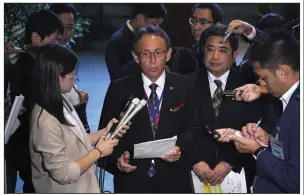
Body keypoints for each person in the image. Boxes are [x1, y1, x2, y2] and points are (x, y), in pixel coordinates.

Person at [98, 26, 194, 193]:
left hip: (175, 178)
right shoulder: (119, 88)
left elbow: (195, 128)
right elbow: (105, 133)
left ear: (168, 54)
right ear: (135, 56)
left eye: (158, 53)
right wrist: (117, 158)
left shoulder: (185, 86)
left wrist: (180, 147)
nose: (152, 60)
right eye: (145, 53)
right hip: (132, 179)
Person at [29, 43, 129, 193]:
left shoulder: (59, 100)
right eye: (72, 75)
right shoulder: (45, 121)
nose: (75, 79)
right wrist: (99, 152)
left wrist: (104, 131)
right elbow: (63, 174)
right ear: (57, 77)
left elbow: (74, 143)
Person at [216, 31, 300, 193]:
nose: (260, 84)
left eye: (263, 78)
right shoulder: (285, 100)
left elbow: (296, 182)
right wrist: (266, 141)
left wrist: (257, 150)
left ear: (283, 72)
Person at [188, 24, 261, 191]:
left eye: (222, 50)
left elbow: (255, 127)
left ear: (234, 55)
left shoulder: (249, 87)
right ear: (202, 52)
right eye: (209, 49)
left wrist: (229, 163)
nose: (215, 56)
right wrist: (196, 162)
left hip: (238, 172)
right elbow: (181, 128)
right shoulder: (185, 85)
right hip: (195, 171)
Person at [7, 9, 64, 193]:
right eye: (53, 40)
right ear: (35, 37)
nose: (56, 45)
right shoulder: (25, 67)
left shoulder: (34, 61)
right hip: (28, 144)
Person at [49, 3, 91, 133]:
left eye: (70, 27)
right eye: (60, 27)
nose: (65, 33)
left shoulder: (66, 54)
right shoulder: (45, 59)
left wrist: (79, 99)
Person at [105, 3, 167, 81]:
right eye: (154, 23)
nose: (158, 28)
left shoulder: (147, 36)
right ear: (140, 19)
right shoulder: (117, 42)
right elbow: (116, 78)